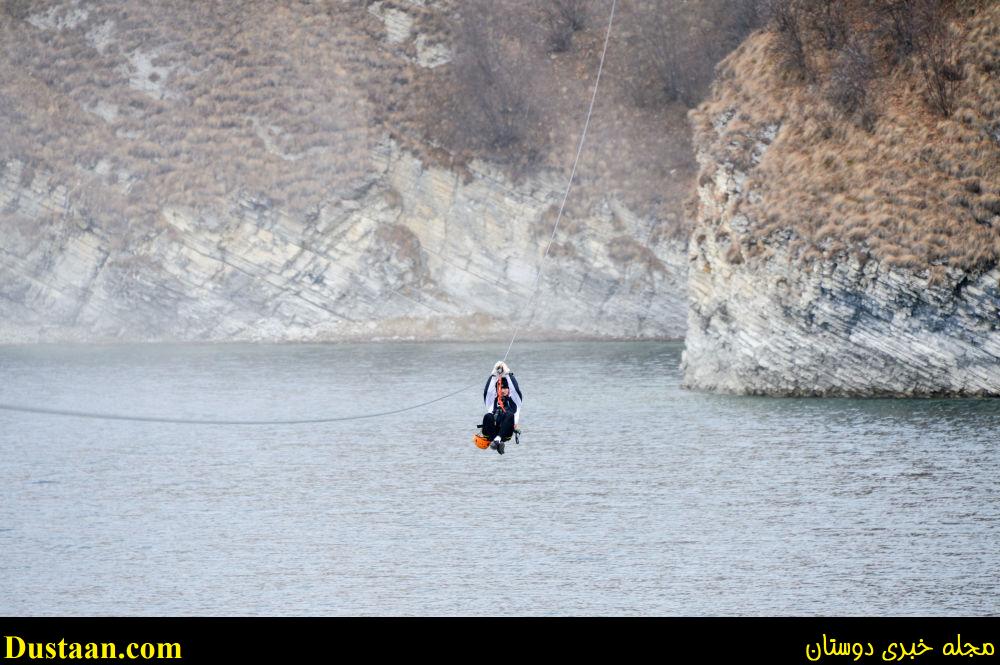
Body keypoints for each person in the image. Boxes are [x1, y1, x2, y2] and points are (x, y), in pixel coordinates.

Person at [479, 360, 523, 455]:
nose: (502, 390)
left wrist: (507, 373)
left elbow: (516, 389)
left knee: (509, 415)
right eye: (501, 388)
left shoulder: (516, 401)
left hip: (506, 433)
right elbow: (487, 392)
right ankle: (497, 441)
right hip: (490, 432)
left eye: (505, 388)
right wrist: (494, 374)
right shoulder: (491, 401)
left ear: (508, 389)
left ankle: (497, 440)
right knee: (488, 416)